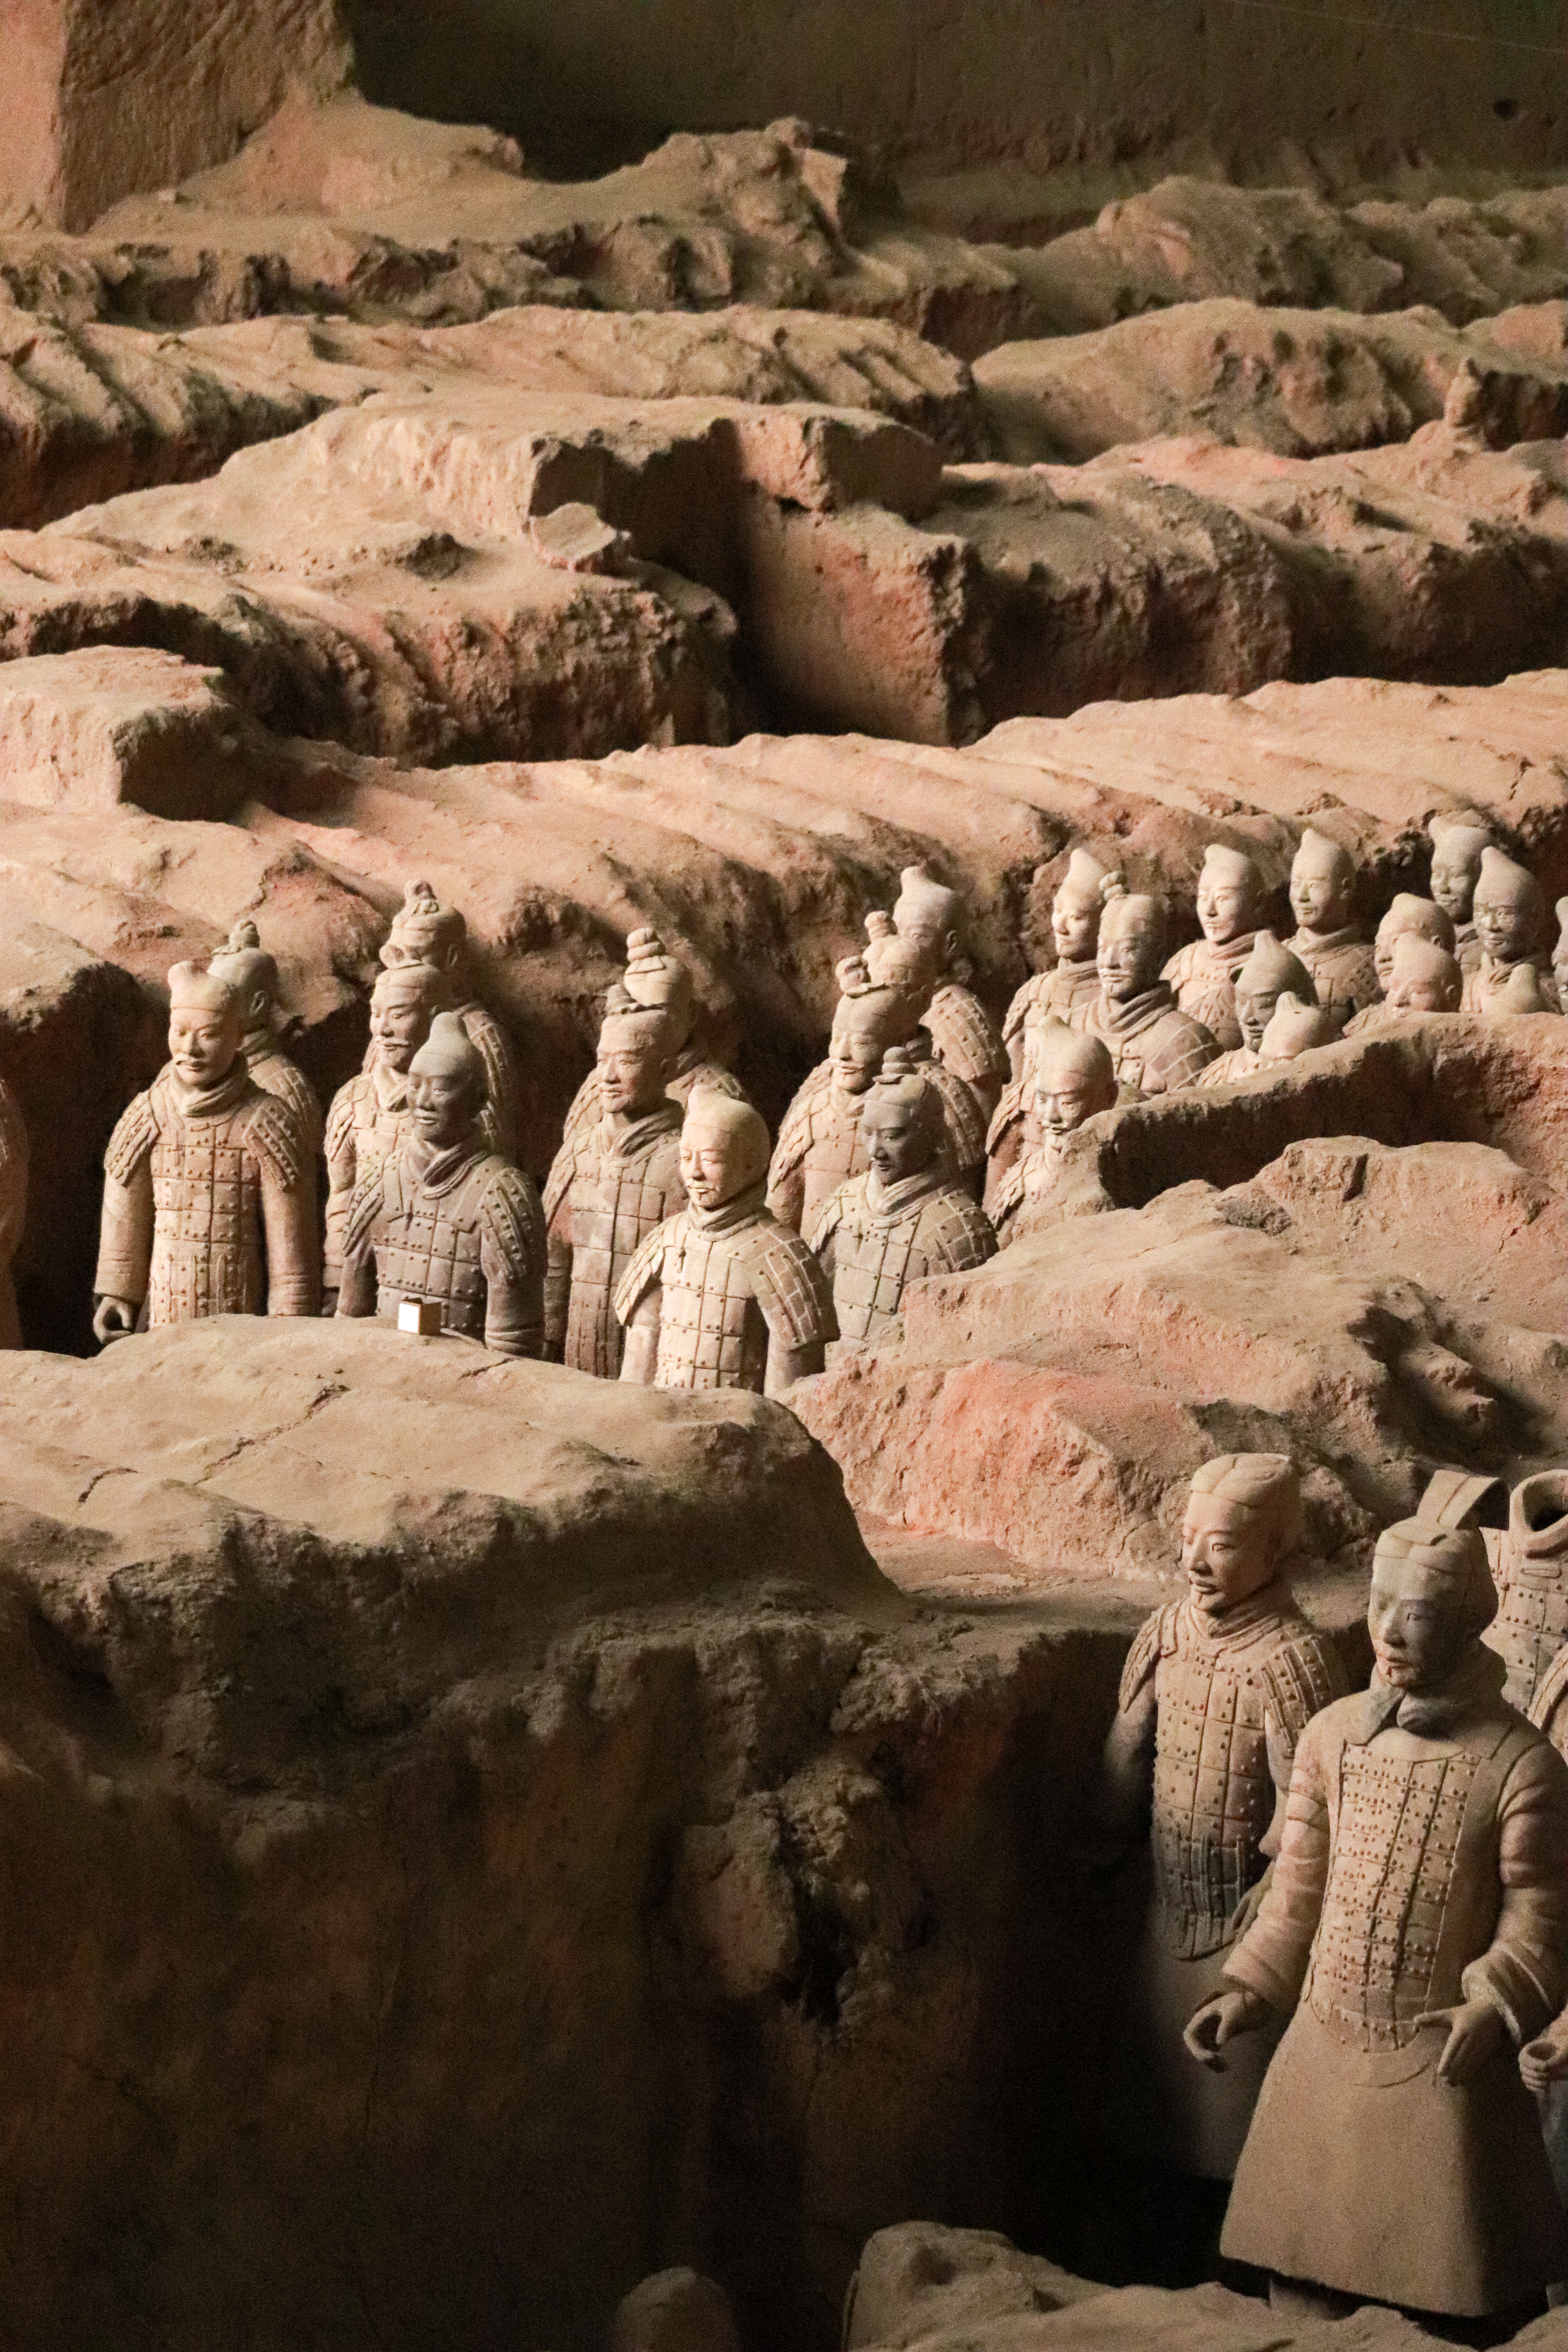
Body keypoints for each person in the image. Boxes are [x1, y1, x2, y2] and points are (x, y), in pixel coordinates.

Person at [1186, 1517, 1568, 2320]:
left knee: (1450, 2295)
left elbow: (1539, 1909)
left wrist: (1492, 2005)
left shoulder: (1519, 1765)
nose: (1390, 1630)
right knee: (1300, 2277)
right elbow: (1297, 1887)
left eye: (1419, 1612)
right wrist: (1247, 1990)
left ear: (1467, 1620)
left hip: (1439, 2077)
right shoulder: (1331, 1738)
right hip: (1321, 2060)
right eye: (1379, 1603)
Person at [1093, 1456, 1346, 2184]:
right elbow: (1127, 1753)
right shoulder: (1167, 1632)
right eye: (1188, 1537)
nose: (1195, 1561)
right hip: (1161, 1917)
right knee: (1141, 2136)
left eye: (1225, 1545)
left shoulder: (1295, 1662)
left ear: (1276, 1552)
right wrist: (1098, 1843)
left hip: (1244, 1935)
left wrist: (1265, 1944)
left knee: (1231, 2153)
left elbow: (1310, 1822)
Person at [94, 962, 318, 1339]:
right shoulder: (149, 1111)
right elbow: (124, 1210)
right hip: (163, 1309)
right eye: (179, 1033)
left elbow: (291, 1249)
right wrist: (119, 1293)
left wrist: (290, 1323)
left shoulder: (268, 1120)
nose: (190, 1049)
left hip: (238, 1320)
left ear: (237, 1037)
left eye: (209, 1035)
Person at [338, 1013, 545, 1357]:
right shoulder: (378, 1181)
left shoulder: (504, 1193)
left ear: (479, 1099)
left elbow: (514, 1346)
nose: (422, 1101)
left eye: (441, 1087)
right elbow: (350, 1317)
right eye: (415, 1084)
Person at [616, 1096, 835, 1396]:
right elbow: (635, 1382)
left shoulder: (781, 1254)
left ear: (751, 1165)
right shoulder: (666, 1241)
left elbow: (787, 1402)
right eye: (686, 1157)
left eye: (710, 1160)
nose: (694, 1173)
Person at [768, 956, 982, 1235]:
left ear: (895, 1043)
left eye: (861, 1043)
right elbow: (780, 1216)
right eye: (836, 1039)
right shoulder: (811, 1113)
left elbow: (957, 1215)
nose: (842, 1054)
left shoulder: (933, 1105)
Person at [808, 1045, 996, 1347]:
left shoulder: (958, 1227)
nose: (875, 1151)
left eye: (893, 1136)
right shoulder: (844, 1203)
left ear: (931, 1134)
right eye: (868, 1133)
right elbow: (813, 1311)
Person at [543, 986, 686, 1377]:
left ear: (666, 1070)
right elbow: (553, 1259)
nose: (607, 1077)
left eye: (626, 1062)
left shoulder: (686, 1162)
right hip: (576, 1354)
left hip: (654, 1362)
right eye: (602, 1061)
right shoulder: (577, 1153)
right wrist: (547, 1338)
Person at [322, 963, 452, 1311]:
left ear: (436, 1017)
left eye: (399, 1015)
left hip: (435, 1279)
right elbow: (342, 1194)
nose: (383, 1029)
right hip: (360, 1274)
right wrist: (337, 1279)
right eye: (376, 1014)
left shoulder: (457, 1108)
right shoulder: (352, 1099)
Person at [557, 926, 744, 1156]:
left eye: (660, 1010)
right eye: (636, 1010)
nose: (647, 1023)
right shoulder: (599, 1085)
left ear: (692, 1015)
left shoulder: (717, 1091)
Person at [378, 880, 523, 1161]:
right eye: (397, 955)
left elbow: (494, 1141)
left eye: (417, 956)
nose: (403, 968)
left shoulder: (479, 1036)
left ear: (452, 958)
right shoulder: (387, 1029)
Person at [865, 862, 1009, 1125]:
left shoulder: (958, 1010)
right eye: (899, 934)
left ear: (950, 943)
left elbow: (983, 1111)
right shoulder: (884, 1002)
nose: (905, 947)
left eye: (918, 936)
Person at [1084, 888, 1219, 1097]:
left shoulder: (1183, 1040)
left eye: (1128, 950)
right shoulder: (1074, 1024)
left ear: (1158, 958)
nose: (1110, 963)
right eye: (1103, 949)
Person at [991, 1022, 1116, 1244]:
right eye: (1042, 1100)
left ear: (1109, 1097)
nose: (1050, 1116)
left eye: (1068, 1103)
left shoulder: (1125, 1173)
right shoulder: (1021, 1180)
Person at [208, 918, 324, 1156]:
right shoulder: (197, 1070)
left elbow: (301, 1184)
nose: (208, 1006)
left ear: (257, 1005)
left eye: (224, 996)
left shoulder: (283, 1087)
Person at [1002, 848, 1122, 1071]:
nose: (1059, 927)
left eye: (1077, 917)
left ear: (1104, 924)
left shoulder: (1114, 999)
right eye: (1058, 910)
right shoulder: (1033, 992)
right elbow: (1012, 1080)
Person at [1163, 843, 1270, 1051]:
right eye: (1203, 897)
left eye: (1223, 899)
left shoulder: (1270, 966)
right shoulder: (1184, 960)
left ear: (1257, 903)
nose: (1210, 911)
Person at [1198, 935, 1316, 1087]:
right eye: (1241, 1002)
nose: (1248, 1018)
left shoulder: (1316, 1066)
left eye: (1264, 1005)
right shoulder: (1217, 1074)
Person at [1286, 829, 1377, 1013]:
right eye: (1296, 884)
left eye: (1314, 886)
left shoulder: (1367, 965)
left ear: (1346, 889)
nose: (1301, 898)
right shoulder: (1281, 954)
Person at [1462, 849, 1560, 1017]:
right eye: (1481, 912)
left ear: (1534, 917)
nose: (1491, 926)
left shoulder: (1549, 988)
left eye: (1505, 913)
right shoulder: (1470, 985)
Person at [1344, 935, 1463, 1033]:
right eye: (1394, 989)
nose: (1398, 1001)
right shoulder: (1362, 1031)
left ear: (1452, 997)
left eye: (1417, 991)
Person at [1428, 816, 1495, 974]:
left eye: (1456, 875)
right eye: (1437, 874)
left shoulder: (1488, 945)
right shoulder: (1431, 934)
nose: (1442, 888)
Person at [1369, 894, 1456, 998]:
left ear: (1436, 946)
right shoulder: (1367, 1014)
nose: (1383, 958)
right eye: (1378, 947)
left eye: (1397, 943)